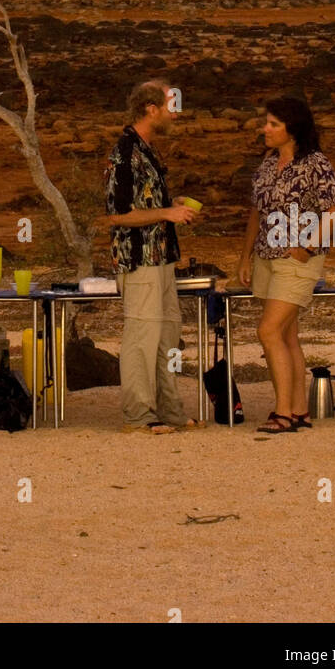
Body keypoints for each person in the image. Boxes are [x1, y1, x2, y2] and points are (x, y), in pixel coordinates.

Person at [236, 95, 335, 433]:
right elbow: (257, 211)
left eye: (273, 124)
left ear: (291, 129)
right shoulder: (268, 162)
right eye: (266, 122)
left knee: (267, 330)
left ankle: (281, 412)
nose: (264, 128)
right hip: (267, 257)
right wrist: (245, 255)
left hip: (296, 260)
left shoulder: (315, 163)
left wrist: (307, 248)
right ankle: (299, 410)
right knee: (288, 335)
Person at [103, 79, 200, 435]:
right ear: (151, 109)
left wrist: (169, 207)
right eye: (170, 105)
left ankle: (169, 410)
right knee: (141, 338)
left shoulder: (148, 150)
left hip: (161, 258)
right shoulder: (125, 152)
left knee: (167, 337)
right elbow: (117, 214)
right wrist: (165, 215)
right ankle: (138, 415)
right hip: (139, 260)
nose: (176, 113)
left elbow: (145, 205)